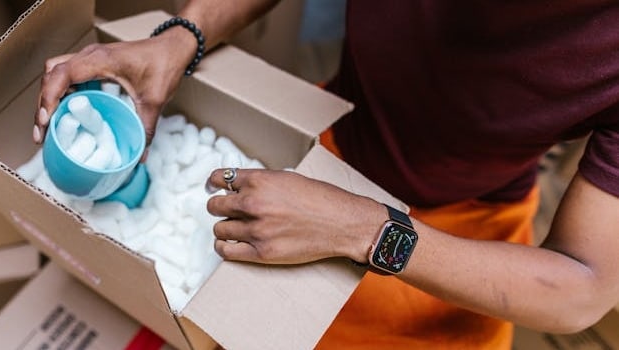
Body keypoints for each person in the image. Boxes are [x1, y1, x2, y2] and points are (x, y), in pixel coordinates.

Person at [33, 1, 619, 348]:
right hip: (330, 138)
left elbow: (581, 289)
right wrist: (183, 34)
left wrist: (364, 231)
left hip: (464, 231)